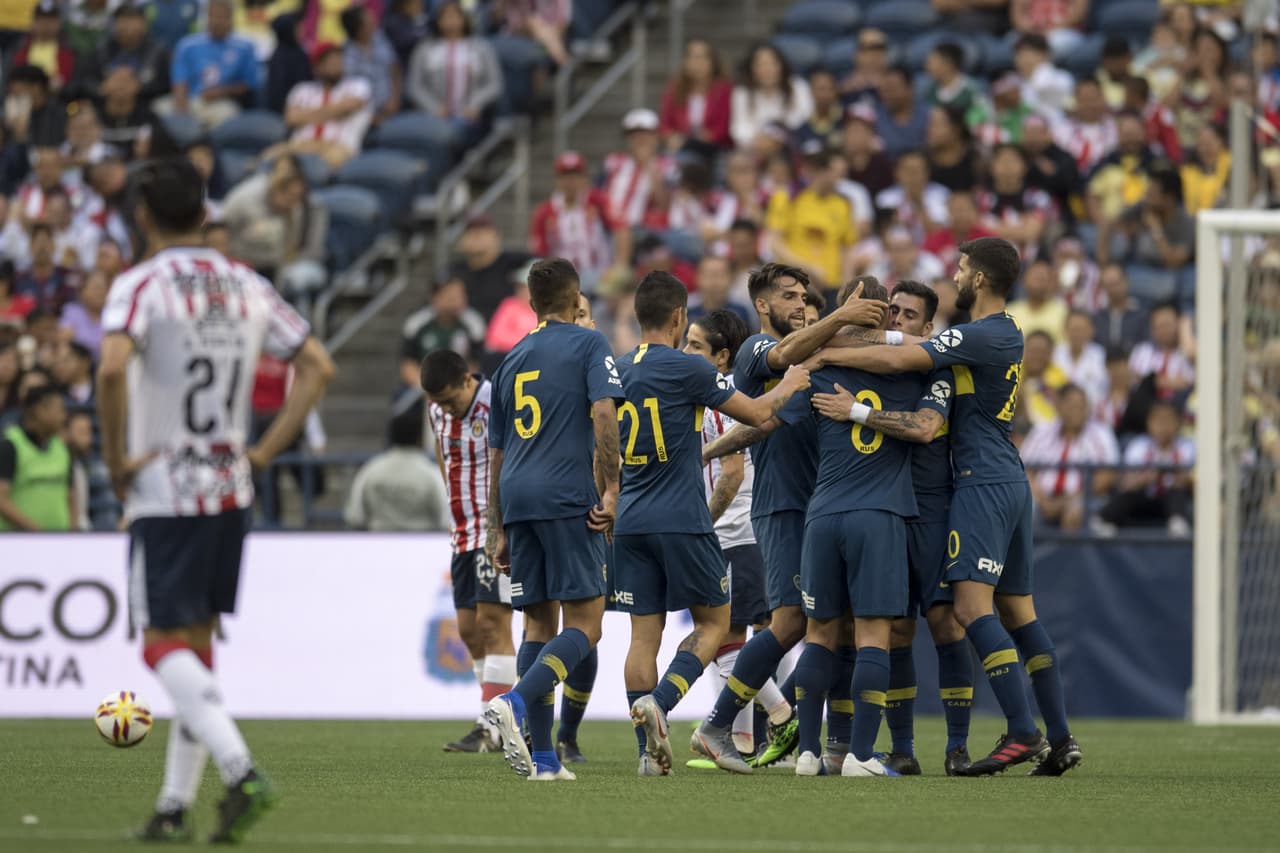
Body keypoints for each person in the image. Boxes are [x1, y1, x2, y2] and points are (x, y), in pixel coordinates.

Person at [95, 157, 334, 841]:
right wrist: (263, 451)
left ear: (142, 215)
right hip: (230, 488)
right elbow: (318, 366)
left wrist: (115, 459)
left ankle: (240, 770)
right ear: (205, 213)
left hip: (166, 488)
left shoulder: (139, 285)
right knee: (196, 651)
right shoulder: (247, 282)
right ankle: (174, 806)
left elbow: (113, 366)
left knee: (158, 646)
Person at [810, 237, 1083, 776]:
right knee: (1018, 614)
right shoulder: (1002, 334)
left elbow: (904, 354)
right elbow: (905, 343)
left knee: (968, 611)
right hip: (1005, 477)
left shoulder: (980, 334)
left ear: (979, 279)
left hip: (979, 482)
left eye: (960, 269)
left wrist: (826, 353)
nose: (955, 275)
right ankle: (1061, 736)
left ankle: (1023, 731)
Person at [615, 273, 811, 777]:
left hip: (630, 519)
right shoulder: (686, 369)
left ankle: (648, 755)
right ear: (679, 316)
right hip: (681, 516)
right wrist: (790, 382)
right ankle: (661, 702)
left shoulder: (616, 369)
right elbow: (760, 414)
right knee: (716, 625)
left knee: (643, 638)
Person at [691, 265, 885, 774]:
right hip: (782, 505)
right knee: (791, 621)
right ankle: (718, 724)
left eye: (805, 297)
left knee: (834, 623)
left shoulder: (815, 364)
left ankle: (833, 746)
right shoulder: (759, 349)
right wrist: (709, 451)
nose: (800, 304)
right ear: (762, 305)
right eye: (789, 296)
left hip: (826, 504)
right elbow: (766, 412)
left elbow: (779, 418)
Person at [810, 280, 973, 776]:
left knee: (945, 622)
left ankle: (958, 745)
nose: (897, 319)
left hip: (931, 508)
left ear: (927, 328)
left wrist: (857, 408)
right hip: (881, 509)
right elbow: (832, 346)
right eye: (892, 311)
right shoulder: (858, 358)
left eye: (908, 315)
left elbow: (925, 430)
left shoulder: (935, 369)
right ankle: (900, 745)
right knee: (894, 629)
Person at [482, 258, 622, 782]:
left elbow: (496, 452)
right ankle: (515, 701)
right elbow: (605, 415)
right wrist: (610, 487)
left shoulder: (511, 359)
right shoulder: (590, 345)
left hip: (518, 496)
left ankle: (543, 760)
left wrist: (499, 526)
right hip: (567, 493)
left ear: (532, 303)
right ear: (576, 296)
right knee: (586, 625)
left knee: (537, 625)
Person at [684, 309, 788, 761]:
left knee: (726, 640)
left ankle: (784, 717)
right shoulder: (715, 396)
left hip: (735, 533)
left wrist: (703, 527)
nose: (685, 352)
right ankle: (744, 738)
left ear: (722, 356)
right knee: (731, 639)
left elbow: (730, 472)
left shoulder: (726, 396)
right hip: (738, 534)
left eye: (695, 346)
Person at [418, 349, 517, 753]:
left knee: (494, 624)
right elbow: (445, 457)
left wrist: (505, 525)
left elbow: (511, 459)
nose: (444, 408)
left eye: (448, 399)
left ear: (466, 381)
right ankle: (498, 719)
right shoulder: (437, 410)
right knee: (468, 630)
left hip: (494, 531)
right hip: (461, 532)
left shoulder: (496, 401)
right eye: (437, 403)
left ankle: (493, 725)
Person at [528, 151, 630, 295]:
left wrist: (620, 266)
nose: (571, 182)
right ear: (557, 180)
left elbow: (622, 229)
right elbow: (538, 252)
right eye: (566, 176)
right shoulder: (544, 212)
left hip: (600, 276)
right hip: (562, 282)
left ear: (584, 178)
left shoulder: (598, 201)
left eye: (576, 175)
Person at [1021, 384, 1119, 530]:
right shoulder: (1041, 431)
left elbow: (1107, 476)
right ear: (1058, 406)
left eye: (1081, 405)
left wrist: (1069, 500)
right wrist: (1043, 500)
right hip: (1043, 498)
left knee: (1075, 512)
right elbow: (1024, 469)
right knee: (1023, 508)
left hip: (1084, 497)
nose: (1077, 410)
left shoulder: (1101, 433)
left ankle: (1069, 553)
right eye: (1071, 405)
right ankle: (1028, 553)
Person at [405, 1, 502, 147]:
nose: (450, 22)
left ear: (464, 19)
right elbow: (414, 86)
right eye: (445, 17)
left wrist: (476, 104)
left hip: (470, 116)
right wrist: (433, 108)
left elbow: (495, 83)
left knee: (456, 132)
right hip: (434, 115)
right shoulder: (424, 49)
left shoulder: (481, 48)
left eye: (455, 16)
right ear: (437, 21)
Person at [1095, 399, 1194, 536]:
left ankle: (1178, 524)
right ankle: (1104, 521)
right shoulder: (1138, 446)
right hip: (1144, 496)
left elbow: (1192, 480)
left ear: (1178, 423)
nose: (1163, 426)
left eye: (1168, 420)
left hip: (1173, 499)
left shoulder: (1189, 447)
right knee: (1128, 495)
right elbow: (1125, 483)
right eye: (1158, 420)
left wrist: (1182, 479)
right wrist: (1146, 478)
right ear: (1149, 423)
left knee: (1177, 493)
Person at [343, 409, 447, 532]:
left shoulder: (371, 470)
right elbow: (445, 519)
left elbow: (354, 515)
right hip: (420, 545)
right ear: (419, 438)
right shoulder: (431, 473)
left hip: (377, 544)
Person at [161, 0, 258, 129]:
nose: (217, 22)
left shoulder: (245, 47)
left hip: (221, 102)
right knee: (157, 111)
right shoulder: (187, 45)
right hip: (190, 99)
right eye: (213, 16)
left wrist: (222, 92)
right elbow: (179, 82)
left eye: (222, 17)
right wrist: (182, 111)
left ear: (232, 19)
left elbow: (249, 84)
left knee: (227, 115)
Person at [277, 42, 373, 168]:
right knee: (270, 159)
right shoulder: (302, 89)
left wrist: (305, 115)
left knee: (314, 168)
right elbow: (291, 118)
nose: (335, 63)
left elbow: (348, 107)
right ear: (316, 67)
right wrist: (335, 111)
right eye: (327, 61)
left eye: (338, 58)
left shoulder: (358, 85)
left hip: (339, 147)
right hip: (301, 145)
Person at [0, 383, 73, 532]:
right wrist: (35, 532)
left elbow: (70, 497)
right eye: (59, 410)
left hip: (60, 543)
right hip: (18, 543)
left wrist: (73, 535)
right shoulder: (10, 446)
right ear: (40, 410)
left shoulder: (62, 448)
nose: (64, 416)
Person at [398, 277, 486, 388]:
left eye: (461, 294)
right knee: (402, 398)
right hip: (422, 384)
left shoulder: (474, 323)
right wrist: (426, 386)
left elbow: (477, 364)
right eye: (451, 295)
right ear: (434, 297)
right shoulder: (416, 323)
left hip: (462, 385)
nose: (457, 299)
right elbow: (408, 364)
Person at [730, 43, 813, 150]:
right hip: (755, 149)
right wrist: (759, 140)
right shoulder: (742, 93)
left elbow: (805, 119)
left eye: (772, 63)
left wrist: (776, 137)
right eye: (761, 65)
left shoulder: (798, 87)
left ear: (781, 66)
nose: (767, 69)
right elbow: (738, 129)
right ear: (751, 69)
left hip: (792, 147)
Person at [658, 38, 733, 156]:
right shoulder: (674, 90)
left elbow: (723, 127)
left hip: (715, 149)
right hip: (683, 146)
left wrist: (706, 137)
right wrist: (671, 137)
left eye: (702, 57)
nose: (697, 63)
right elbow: (665, 124)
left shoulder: (724, 90)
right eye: (692, 57)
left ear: (713, 62)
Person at [340, 4, 401, 126]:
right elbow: (347, 93)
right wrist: (369, 117)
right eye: (368, 21)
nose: (373, 22)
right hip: (362, 117)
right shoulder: (345, 55)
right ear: (357, 29)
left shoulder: (380, 38)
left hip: (391, 109)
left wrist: (394, 99)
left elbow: (394, 69)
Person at [1007, 259, 1068, 344]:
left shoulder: (1063, 312)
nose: (1039, 282)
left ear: (1052, 283)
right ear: (1024, 280)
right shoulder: (1009, 312)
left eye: (1043, 278)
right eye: (1035, 277)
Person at [1053, 310, 1108, 406]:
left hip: (1093, 413)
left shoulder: (1101, 356)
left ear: (1091, 330)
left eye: (1081, 329)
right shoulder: (1054, 354)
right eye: (1073, 329)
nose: (1077, 334)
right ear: (1064, 330)